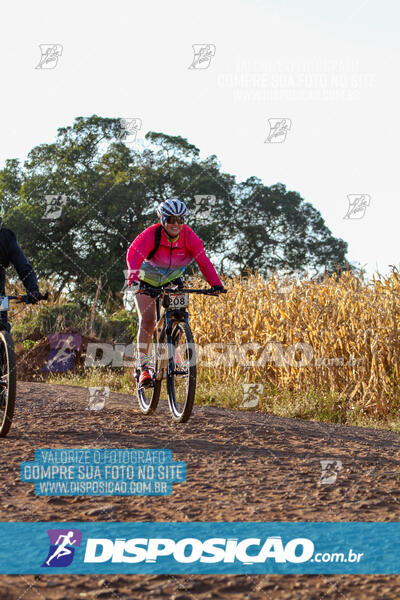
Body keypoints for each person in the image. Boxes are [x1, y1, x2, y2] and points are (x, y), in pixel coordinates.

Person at [126, 198, 225, 388]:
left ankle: (174, 352)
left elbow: (203, 261)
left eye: (181, 220)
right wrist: (133, 281)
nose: (176, 224)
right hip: (145, 280)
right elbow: (133, 254)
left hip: (172, 280)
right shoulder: (152, 234)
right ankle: (144, 367)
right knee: (148, 320)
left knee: (179, 315)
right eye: (171, 219)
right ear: (162, 219)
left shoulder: (189, 236)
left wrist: (216, 284)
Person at [0, 206, 41, 332]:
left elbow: (23, 267)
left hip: (0, 294)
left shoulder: (7, 238)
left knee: (3, 326)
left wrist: (33, 290)